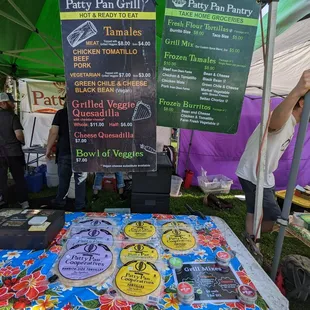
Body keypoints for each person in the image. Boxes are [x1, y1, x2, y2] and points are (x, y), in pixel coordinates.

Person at [236, 70, 310, 236]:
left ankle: (250, 237)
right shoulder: (285, 118)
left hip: (262, 174)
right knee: (277, 219)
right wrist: (298, 90)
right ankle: (252, 236)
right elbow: (274, 121)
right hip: (254, 174)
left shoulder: (293, 123)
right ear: (303, 103)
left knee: (254, 211)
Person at [46, 99, 87, 210]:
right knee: (80, 180)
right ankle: (80, 206)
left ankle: (60, 202)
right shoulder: (86, 112)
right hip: (82, 151)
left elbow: (53, 132)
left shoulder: (61, 113)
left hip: (65, 150)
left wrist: (48, 148)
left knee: (64, 179)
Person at [0, 93, 29, 208]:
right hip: (14, 153)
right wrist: (22, 142)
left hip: (0, 154)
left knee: (1, 178)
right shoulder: (12, 117)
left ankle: (3, 201)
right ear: (3, 103)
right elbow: (19, 135)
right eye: (11, 102)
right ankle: (24, 203)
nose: (13, 105)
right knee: (19, 178)